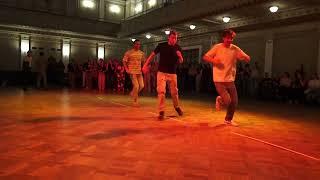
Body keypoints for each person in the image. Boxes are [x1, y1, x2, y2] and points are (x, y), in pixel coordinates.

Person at [203, 29, 250, 126]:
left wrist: (246, 58)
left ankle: (228, 120)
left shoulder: (235, 49)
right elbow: (205, 57)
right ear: (223, 38)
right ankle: (220, 99)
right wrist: (214, 61)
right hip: (218, 80)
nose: (230, 40)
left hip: (230, 79)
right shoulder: (217, 47)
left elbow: (246, 57)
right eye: (228, 38)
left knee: (235, 102)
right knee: (228, 102)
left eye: (232, 38)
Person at [142, 30, 184, 120]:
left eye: (176, 38)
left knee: (174, 92)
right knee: (161, 91)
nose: (174, 40)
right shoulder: (161, 45)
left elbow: (181, 61)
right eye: (172, 38)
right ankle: (161, 111)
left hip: (172, 73)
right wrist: (146, 64)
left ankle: (177, 107)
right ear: (169, 37)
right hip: (161, 72)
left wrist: (180, 56)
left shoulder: (178, 48)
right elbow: (152, 55)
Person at [123, 39, 145, 106]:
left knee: (142, 86)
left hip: (139, 72)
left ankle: (132, 93)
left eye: (139, 44)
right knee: (136, 86)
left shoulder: (141, 53)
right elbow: (124, 61)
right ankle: (135, 101)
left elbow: (143, 61)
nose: (138, 45)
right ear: (134, 44)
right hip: (132, 72)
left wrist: (144, 68)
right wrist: (126, 69)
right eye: (137, 44)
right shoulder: (128, 52)